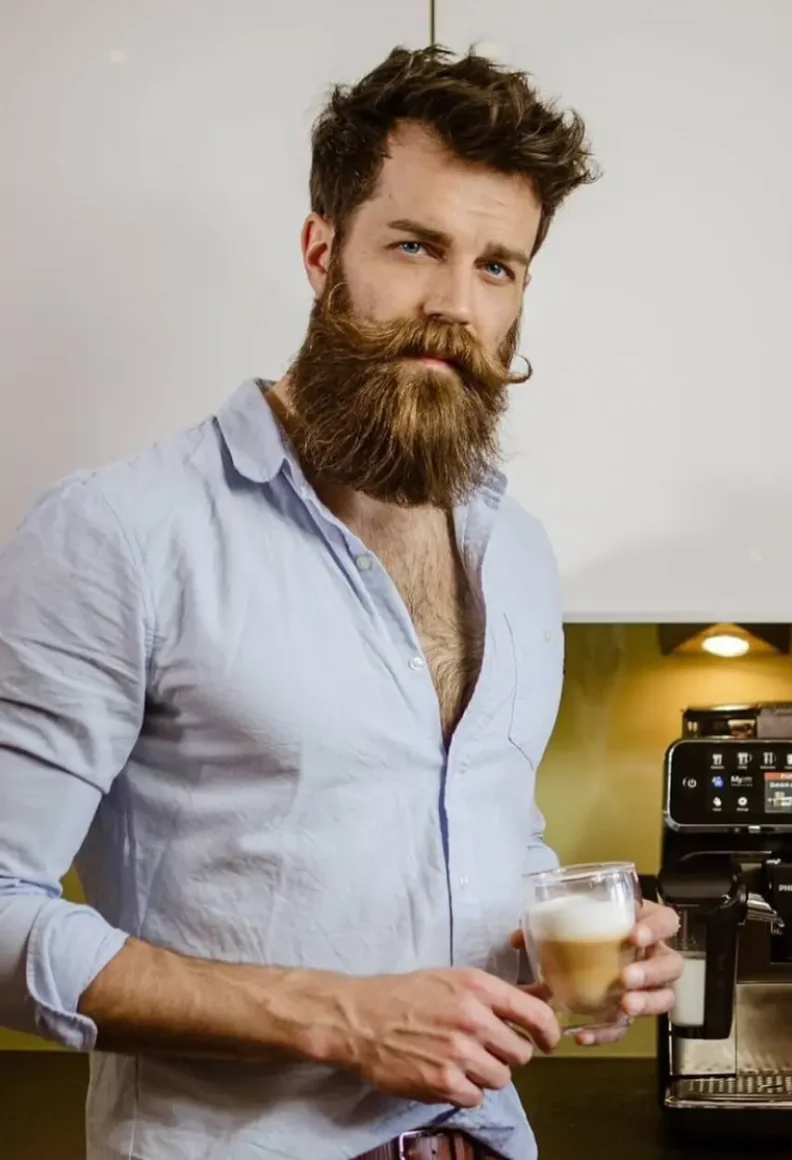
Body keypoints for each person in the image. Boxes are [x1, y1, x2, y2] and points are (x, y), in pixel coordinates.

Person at [0, 45, 682, 1160]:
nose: (454, 306)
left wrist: (581, 947)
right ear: (323, 250)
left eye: (498, 265)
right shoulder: (121, 532)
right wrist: (342, 1016)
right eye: (415, 246)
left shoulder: (513, 548)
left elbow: (464, 836)